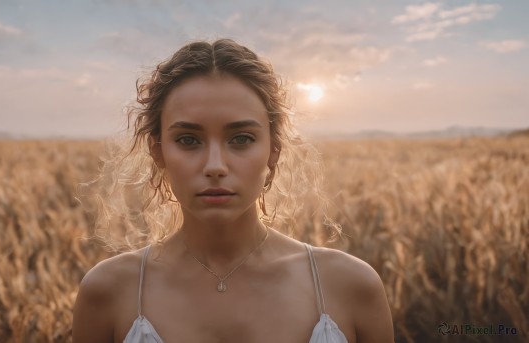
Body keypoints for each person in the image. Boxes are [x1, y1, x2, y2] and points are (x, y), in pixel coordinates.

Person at [73, 38, 394, 343]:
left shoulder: (349, 286)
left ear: (273, 152)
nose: (215, 166)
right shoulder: (109, 292)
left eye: (240, 138)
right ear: (158, 153)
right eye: (188, 140)